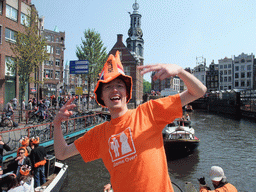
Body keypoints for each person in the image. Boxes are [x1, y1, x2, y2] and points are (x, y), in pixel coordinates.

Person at [53, 51, 207, 191]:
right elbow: (62, 153)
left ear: (127, 93)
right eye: (108, 87)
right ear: (102, 98)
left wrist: (179, 71)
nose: (114, 90)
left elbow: (199, 91)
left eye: (119, 85)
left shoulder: (149, 112)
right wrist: (57, 124)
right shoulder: (98, 135)